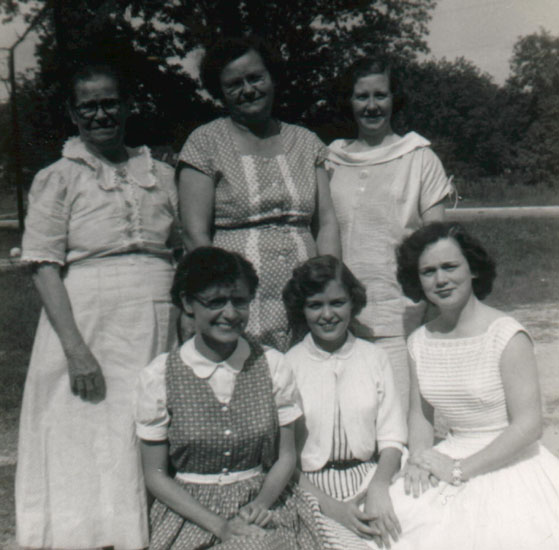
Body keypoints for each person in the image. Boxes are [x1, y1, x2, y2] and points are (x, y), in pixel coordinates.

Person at [16, 61, 180, 549]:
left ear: (127, 107)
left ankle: (152, 536)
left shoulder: (162, 174)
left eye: (110, 103)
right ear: (73, 113)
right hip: (88, 322)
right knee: (88, 432)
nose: (101, 114)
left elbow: (182, 249)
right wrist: (75, 349)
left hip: (158, 318)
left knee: (147, 424)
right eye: (88, 107)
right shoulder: (57, 178)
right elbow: (43, 266)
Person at [134, 247, 324, 550]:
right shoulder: (160, 376)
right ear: (188, 303)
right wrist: (221, 526)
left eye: (239, 301)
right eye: (215, 302)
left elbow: (286, 456)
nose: (231, 313)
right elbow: (155, 474)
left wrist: (260, 505)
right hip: (190, 514)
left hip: (262, 506)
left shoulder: (271, 365)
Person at [386, 221, 559, 550]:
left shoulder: (506, 335)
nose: (440, 280)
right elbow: (420, 415)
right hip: (449, 453)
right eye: (428, 272)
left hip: (510, 461)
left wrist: (460, 470)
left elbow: (529, 426)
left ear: (473, 270)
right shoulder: (419, 341)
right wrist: (419, 458)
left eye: (450, 267)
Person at [177, 36, 341, 351]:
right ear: (219, 91)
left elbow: (327, 224)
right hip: (238, 299)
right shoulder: (204, 143)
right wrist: (221, 299)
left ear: (272, 77)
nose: (248, 89)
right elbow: (194, 235)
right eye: (234, 84)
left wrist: (330, 289)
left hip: (306, 295)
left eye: (255, 77)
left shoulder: (306, 142)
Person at [326, 56, 454, 410]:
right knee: (347, 417)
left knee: (399, 417)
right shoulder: (331, 160)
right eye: (361, 96)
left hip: (399, 315)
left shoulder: (419, 158)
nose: (372, 106)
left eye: (380, 95)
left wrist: (430, 304)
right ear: (349, 101)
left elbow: (437, 243)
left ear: (394, 99)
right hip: (337, 316)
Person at [282, 256, 407, 549]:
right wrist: (332, 508)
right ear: (302, 309)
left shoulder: (374, 357)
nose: (327, 314)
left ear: (353, 302)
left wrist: (379, 487)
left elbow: (392, 438)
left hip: (370, 478)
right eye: (315, 305)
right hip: (309, 488)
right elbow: (284, 458)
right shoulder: (288, 365)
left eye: (337, 303)